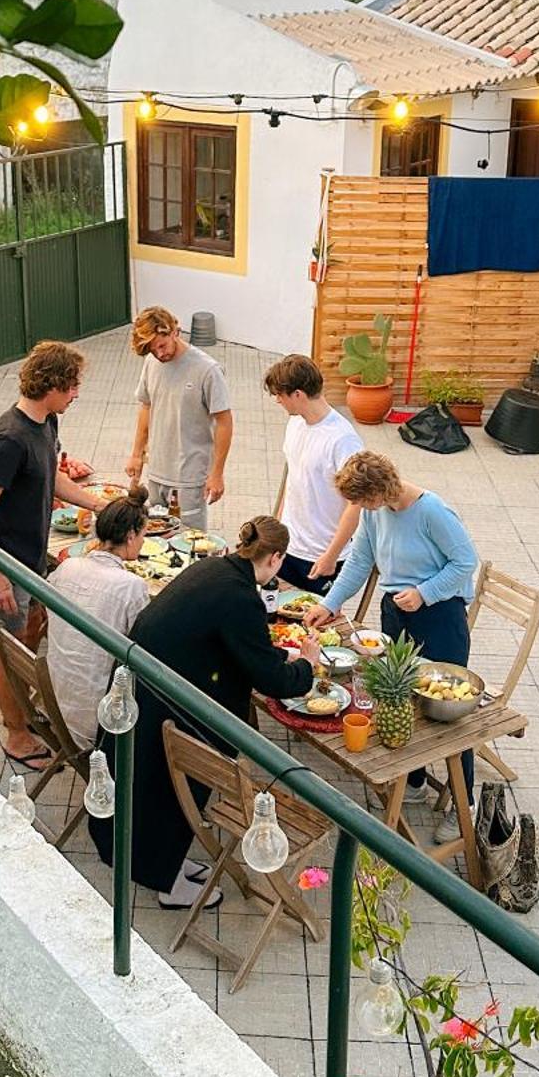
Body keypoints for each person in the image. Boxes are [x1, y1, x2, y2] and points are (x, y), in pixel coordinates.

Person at [87, 516, 322, 908]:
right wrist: (306, 667)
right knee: (167, 789)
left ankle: (159, 863)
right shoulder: (242, 596)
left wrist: (282, 657)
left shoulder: (213, 567)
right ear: (276, 557)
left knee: (145, 784)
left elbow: (234, 644)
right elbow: (271, 679)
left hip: (142, 680)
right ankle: (165, 880)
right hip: (166, 700)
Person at [308, 451, 479, 797]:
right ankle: (413, 782)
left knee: (445, 711)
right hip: (396, 612)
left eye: (362, 500)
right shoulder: (374, 512)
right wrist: (330, 603)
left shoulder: (432, 512)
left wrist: (424, 593)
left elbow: (465, 562)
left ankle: (465, 800)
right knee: (400, 697)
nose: (360, 508)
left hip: (439, 616)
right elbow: (359, 560)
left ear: (380, 490)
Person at [0, 341, 103, 768]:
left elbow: (55, 481)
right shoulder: (9, 439)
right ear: (53, 385)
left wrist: (100, 505)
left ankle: (22, 714)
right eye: (73, 385)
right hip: (5, 565)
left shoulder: (47, 422)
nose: (77, 393)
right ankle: (16, 736)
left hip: (31, 560)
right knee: (9, 655)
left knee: (27, 642)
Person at [45, 486, 152, 750]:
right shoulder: (131, 586)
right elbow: (144, 650)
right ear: (130, 536)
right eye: (143, 535)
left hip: (54, 702)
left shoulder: (67, 566)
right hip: (98, 720)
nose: (142, 542)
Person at [124, 305, 232, 531]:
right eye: (153, 350)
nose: (160, 354)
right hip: (156, 472)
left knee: (189, 541)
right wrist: (136, 454)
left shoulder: (207, 369)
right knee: (156, 536)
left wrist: (217, 473)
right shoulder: (152, 363)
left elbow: (224, 422)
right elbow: (147, 406)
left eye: (162, 346)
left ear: (175, 331)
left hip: (190, 478)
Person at [264, 353, 361, 595]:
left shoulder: (343, 439)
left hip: (321, 557)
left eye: (280, 394)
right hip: (288, 547)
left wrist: (331, 556)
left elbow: (355, 505)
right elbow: (293, 480)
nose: (277, 401)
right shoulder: (295, 423)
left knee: (312, 626)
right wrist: (276, 533)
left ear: (298, 394)